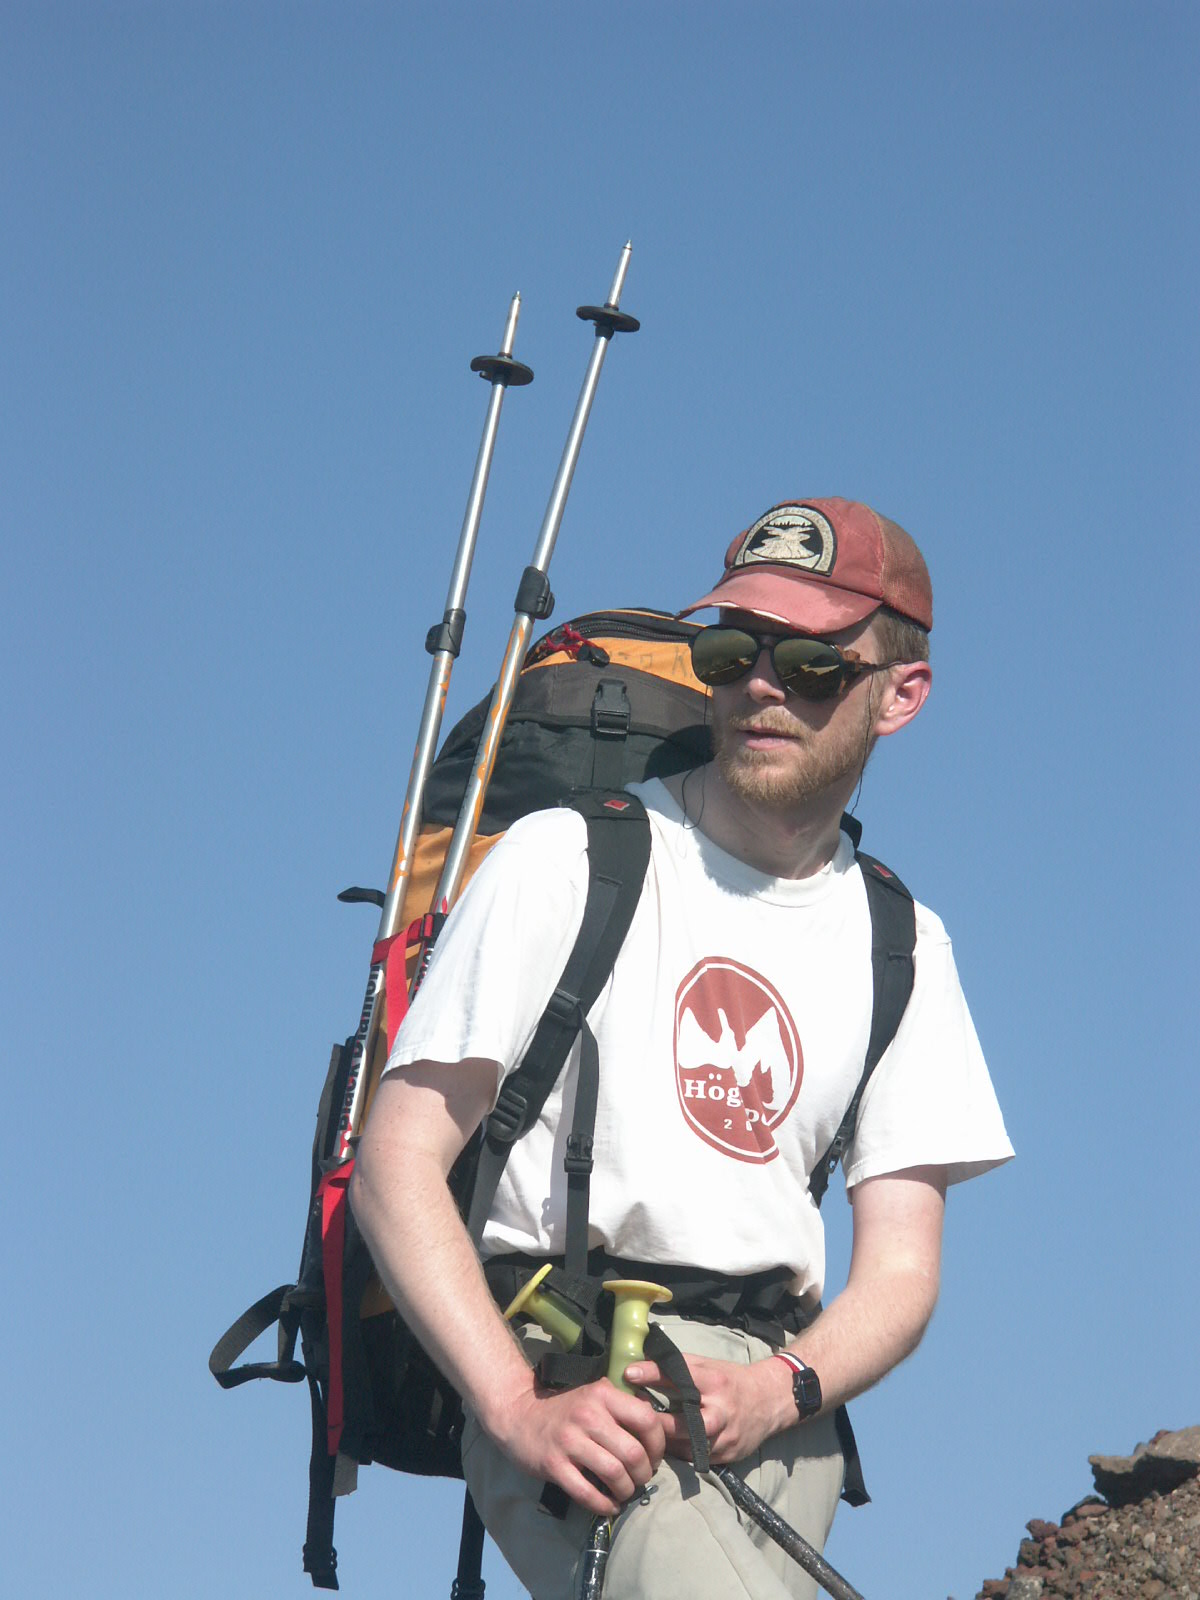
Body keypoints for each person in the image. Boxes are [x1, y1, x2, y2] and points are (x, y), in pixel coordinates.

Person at [351, 497, 1014, 1600]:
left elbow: (902, 1271)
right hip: (579, 1370)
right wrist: (510, 1402)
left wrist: (782, 1389)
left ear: (900, 694)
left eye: (812, 665)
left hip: (784, 1411)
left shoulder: (902, 941)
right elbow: (396, 1160)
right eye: (731, 652)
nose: (761, 687)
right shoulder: (564, 860)